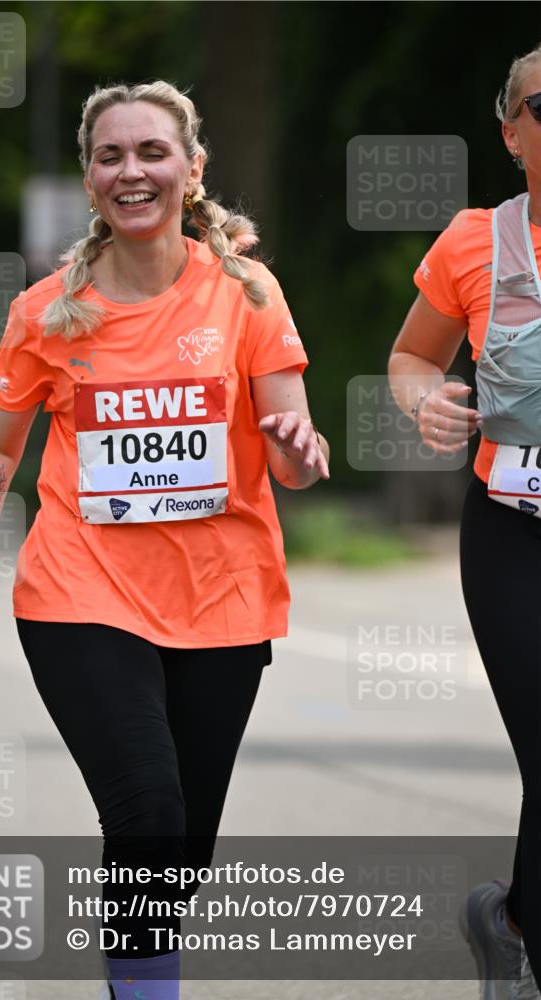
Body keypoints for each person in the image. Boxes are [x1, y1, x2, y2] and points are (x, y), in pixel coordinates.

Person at [0, 80, 330, 1000]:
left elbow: (297, 458)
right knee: (146, 809)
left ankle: (131, 975)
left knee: (180, 851)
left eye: (152, 152)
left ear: (191, 172)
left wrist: (297, 452)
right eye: (111, 155)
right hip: (81, 595)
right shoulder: (45, 313)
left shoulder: (245, 293)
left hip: (222, 601)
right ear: (89, 176)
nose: (131, 170)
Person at [388, 45, 541, 1000]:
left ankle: (511, 921)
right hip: (514, 532)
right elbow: (410, 357)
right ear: (512, 131)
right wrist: (425, 401)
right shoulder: (476, 242)